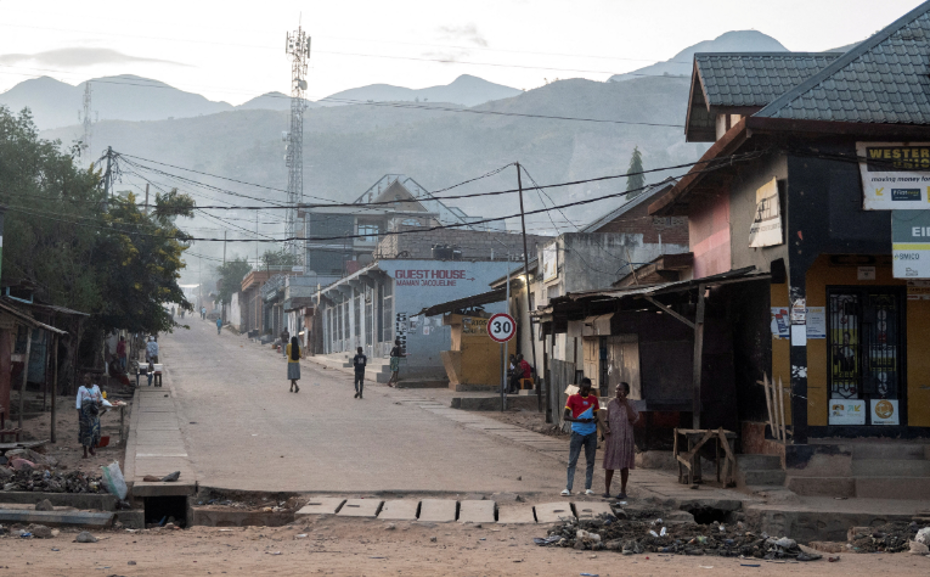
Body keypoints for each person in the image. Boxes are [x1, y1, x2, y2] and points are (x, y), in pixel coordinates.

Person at [562, 378, 600, 496]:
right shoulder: (572, 398)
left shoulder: (594, 399)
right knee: (572, 461)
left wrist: (594, 419)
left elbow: (596, 415)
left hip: (591, 432)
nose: (586, 392)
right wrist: (579, 420)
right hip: (577, 431)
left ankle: (588, 487)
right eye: (584, 389)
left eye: (588, 390)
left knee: (590, 461)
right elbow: (565, 416)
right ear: (580, 388)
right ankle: (568, 487)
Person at [602, 381, 640, 499]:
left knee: (624, 465)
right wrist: (606, 428)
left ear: (626, 392)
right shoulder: (611, 404)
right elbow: (606, 420)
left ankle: (623, 491)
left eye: (621, 390)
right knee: (609, 465)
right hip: (612, 439)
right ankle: (607, 491)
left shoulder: (631, 403)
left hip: (625, 439)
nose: (618, 392)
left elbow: (633, 418)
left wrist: (625, 404)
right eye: (617, 389)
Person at [76, 374, 111, 459]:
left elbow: (101, 398)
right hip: (85, 413)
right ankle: (85, 452)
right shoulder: (81, 389)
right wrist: (79, 413)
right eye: (84, 378)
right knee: (85, 431)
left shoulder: (96, 388)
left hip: (94, 412)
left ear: (91, 379)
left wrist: (99, 403)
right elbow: (78, 401)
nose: (85, 380)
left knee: (94, 430)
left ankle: (91, 448)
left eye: (87, 378)